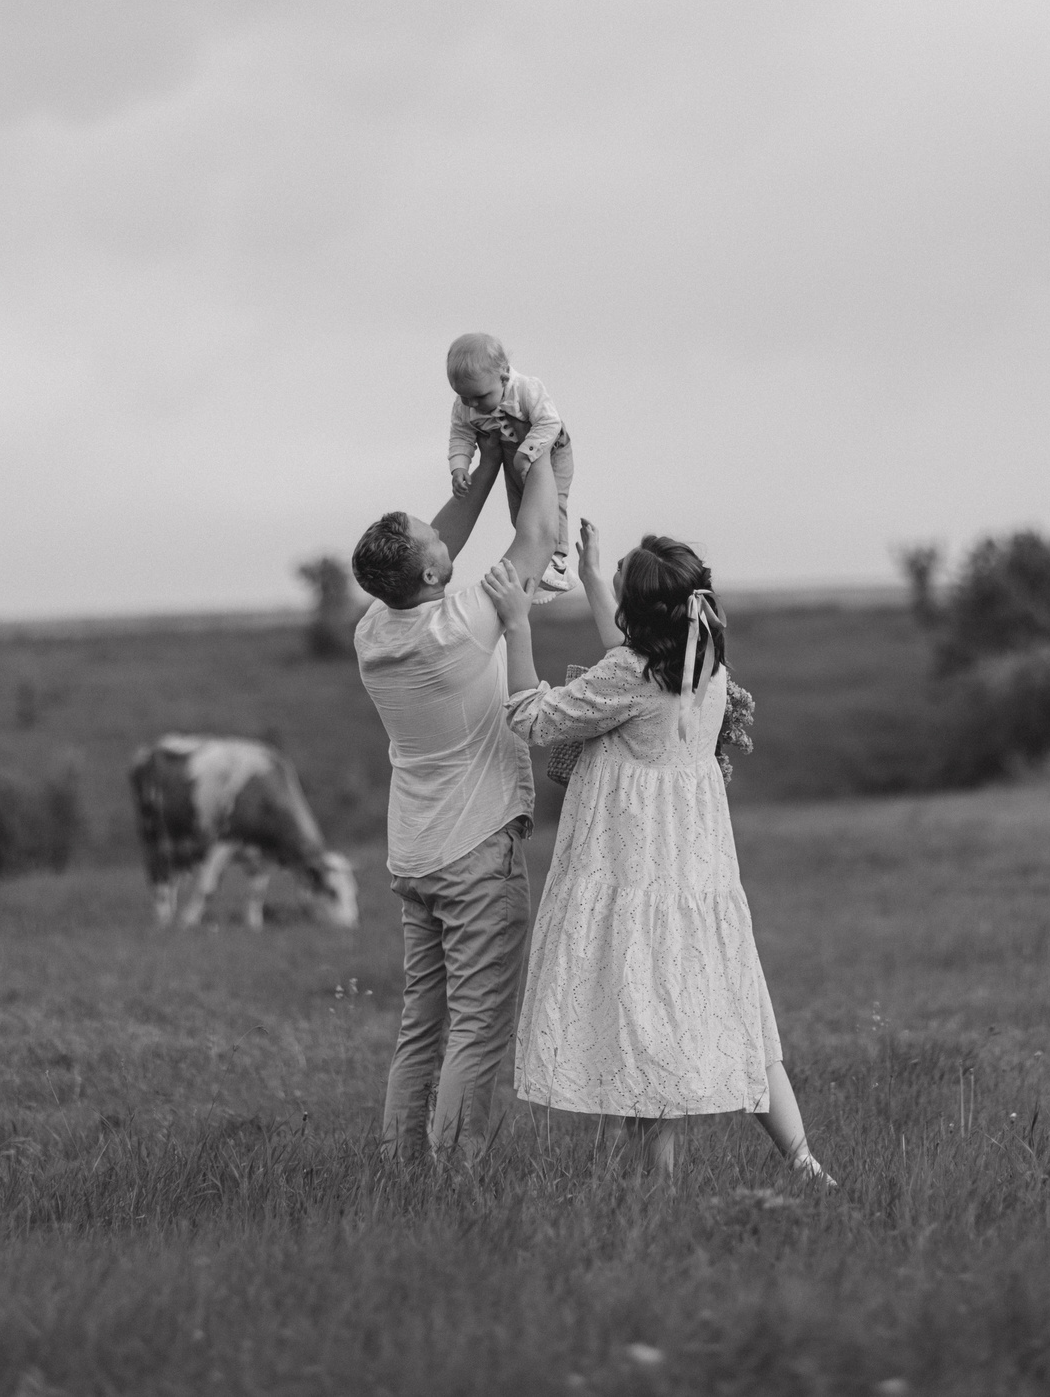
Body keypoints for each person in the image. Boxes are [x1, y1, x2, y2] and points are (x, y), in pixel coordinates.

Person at [483, 523, 835, 1189]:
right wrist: (593, 577)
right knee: (734, 1009)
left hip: (634, 867)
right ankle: (804, 1162)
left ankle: (654, 1192)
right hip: (693, 872)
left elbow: (534, 719)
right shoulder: (705, 663)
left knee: (642, 1016)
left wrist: (516, 627)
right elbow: (627, 661)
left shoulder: (630, 674)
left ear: (638, 615)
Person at [350, 447, 564, 1164]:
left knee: (423, 1027)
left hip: (416, 855)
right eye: (433, 540)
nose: (445, 535)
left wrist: (490, 454)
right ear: (431, 575)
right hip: (475, 852)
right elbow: (538, 535)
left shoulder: (374, 631)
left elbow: (445, 539)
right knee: (476, 1028)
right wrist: (538, 440)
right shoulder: (465, 622)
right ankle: (456, 1176)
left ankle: (401, 1168)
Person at [446, 333, 578, 601]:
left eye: (480, 396)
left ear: (504, 375)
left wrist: (528, 451)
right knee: (520, 510)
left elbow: (550, 422)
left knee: (552, 504)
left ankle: (557, 562)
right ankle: (536, 569)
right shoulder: (465, 406)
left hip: (550, 449)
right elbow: (461, 435)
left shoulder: (526, 390)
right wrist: (459, 467)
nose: (472, 404)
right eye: (463, 397)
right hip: (511, 452)